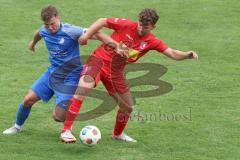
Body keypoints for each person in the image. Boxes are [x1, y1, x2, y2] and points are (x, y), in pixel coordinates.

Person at [60, 8, 198, 143]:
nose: (140, 29)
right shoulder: (126, 24)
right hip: (99, 61)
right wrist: (86, 35)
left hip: (115, 73)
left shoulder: (152, 42)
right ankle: (66, 130)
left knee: (128, 107)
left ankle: (117, 134)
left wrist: (187, 55)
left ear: (153, 27)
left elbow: (172, 53)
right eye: (140, 24)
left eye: (145, 27)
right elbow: (102, 21)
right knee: (83, 88)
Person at [3, 5, 116, 135]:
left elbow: (97, 34)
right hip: (52, 73)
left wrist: (116, 46)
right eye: (47, 25)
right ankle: (17, 126)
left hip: (70, 77)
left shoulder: (71, 31)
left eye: (52, 24)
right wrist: (32, 43)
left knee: (58, 117)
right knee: (28, 99)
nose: (50, 28)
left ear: (58, 17)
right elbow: (38, 33)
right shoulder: (44, 30)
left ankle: (68, 123)